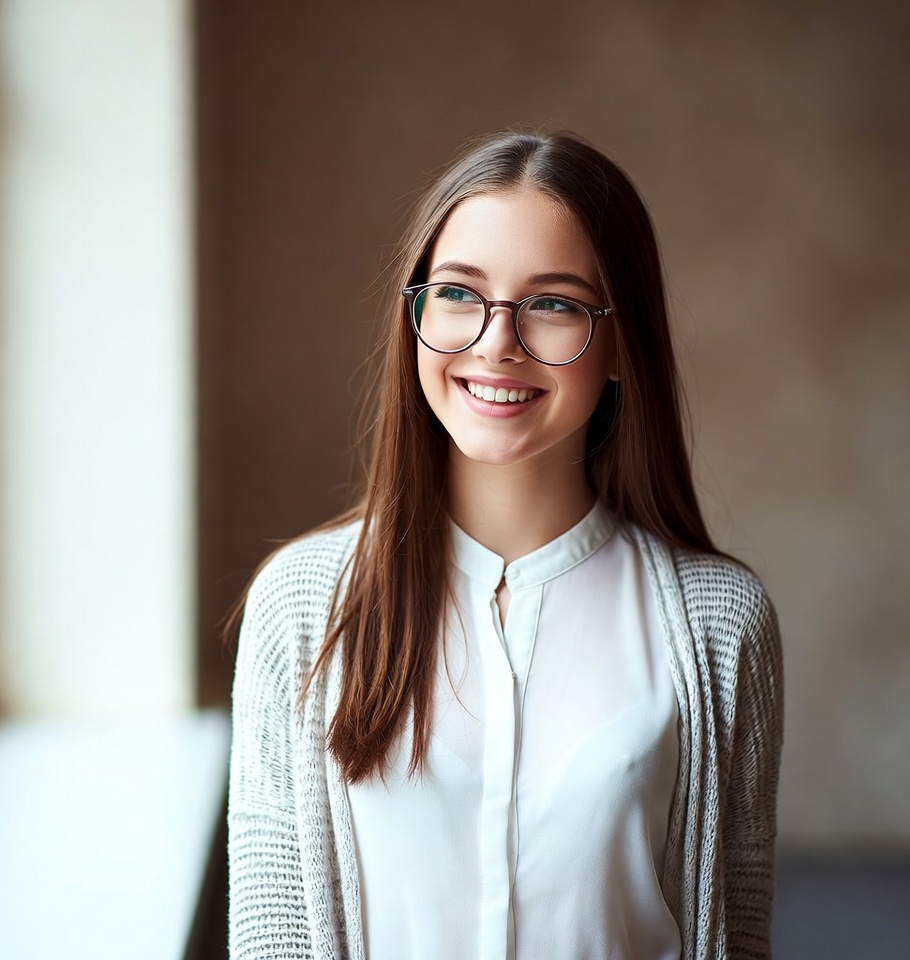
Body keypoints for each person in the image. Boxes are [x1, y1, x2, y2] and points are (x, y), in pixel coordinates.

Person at [227, 130, 783, 960]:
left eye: (553, 303)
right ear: (414, 316)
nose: (496, 341)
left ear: (622, 342)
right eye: (458, 293)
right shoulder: (303, 605)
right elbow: (271, 937)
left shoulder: (720, 625)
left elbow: (737, 931)